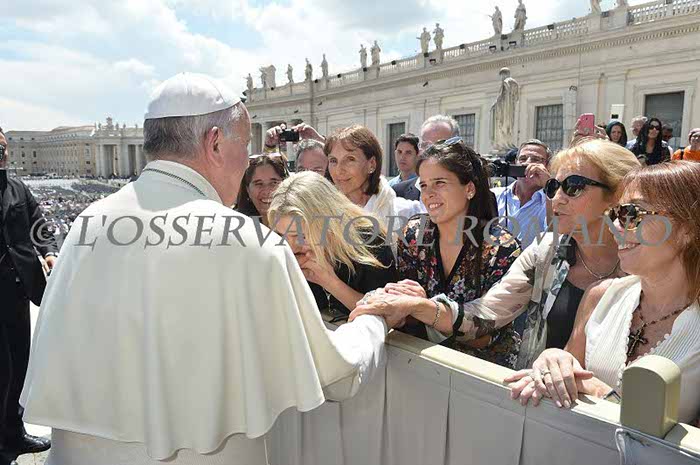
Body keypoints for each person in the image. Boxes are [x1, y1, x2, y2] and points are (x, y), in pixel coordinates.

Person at [19, 73, 393, 465]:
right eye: (243, 145)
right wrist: (373, 321)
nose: (246, 161)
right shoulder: (246, 242)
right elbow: (333, 374)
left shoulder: (89, 223)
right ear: (214, 143)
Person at [352, 140, 639, 369]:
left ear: (617, 194)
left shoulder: (646, 261)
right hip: (541, 401)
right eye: (553, 186)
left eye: (573, 187)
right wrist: (418, 306)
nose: (556, 198)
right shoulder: (546, 252)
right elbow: (486, 315)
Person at [506, 161, 700, 424]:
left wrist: (601, 393)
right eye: (616, 214)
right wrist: (554, 359)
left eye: (632, 213)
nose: (615, 226)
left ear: (688, 229)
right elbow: (568, 372)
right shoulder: (600, 297)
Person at [352, 137, 522, 368]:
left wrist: (422, 307)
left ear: (469, 188)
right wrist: (409, 307)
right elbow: (404, 311)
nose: (428, 194)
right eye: (423, 185)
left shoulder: (501, 248)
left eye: (439, 183)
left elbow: (485, 335)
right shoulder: (415, 233)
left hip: (484, 372)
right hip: (422, 359)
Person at [0, 127, 56, 462]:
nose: (2, 153)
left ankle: (13, 432)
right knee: (3, 367)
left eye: (3, 146)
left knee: (20, 362)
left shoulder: (18, 188)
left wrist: (48, 251)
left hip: (18, 288)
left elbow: (39, 224)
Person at [269, 172, 398, 316]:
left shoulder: (369, 242)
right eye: (282, 236)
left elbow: (390, 316)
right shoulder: (285, 251)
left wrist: (328, 281)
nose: (291, 247)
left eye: (301, 236)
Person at [325, 125, 424, 230]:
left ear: (372, 164)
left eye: (350, 159)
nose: (339, 170)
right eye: (333, 161)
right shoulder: (322, 215)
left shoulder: (407, 213)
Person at [491, 139, 551, 249]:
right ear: (515, 163)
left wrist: (549, 185)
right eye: (523, 159)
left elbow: (554, 234)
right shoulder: (494, 196)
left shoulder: (551, 201)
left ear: (547, 166)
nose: (527, 163)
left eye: (536, 159)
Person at [393, 115, 461, 201]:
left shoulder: (470, 189)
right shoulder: (399, 192)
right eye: (426, 145)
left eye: (439, 145)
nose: (431, 151)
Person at [234, 153, 289, 227]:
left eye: (274, 183)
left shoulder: (299, 225)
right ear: (248, 190)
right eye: (259, 184)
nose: (266, 191)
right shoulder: (234, 225)